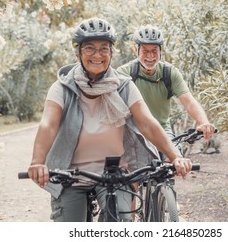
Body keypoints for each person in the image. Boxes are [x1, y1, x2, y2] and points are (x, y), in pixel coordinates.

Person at [27, 18, 192, 222]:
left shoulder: (123, 86)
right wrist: (37, 162)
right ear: (78, 52)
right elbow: (48, 124)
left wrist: (175, 156)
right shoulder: (62, 87)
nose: (97, 55)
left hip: (115, 174)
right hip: (71, 176)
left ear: (111, 53)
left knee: (121, 222)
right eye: (89, 48)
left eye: (104, 49)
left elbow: (147, 123)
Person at [117, 25, 217, 154]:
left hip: (162, 129)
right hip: (133, 131)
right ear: (136, 49)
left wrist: (204, 122)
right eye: (145, 51)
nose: (150, 56)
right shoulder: (125, 72)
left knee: (174, 160)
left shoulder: (169, 73)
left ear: (160, 50)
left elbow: (189, 102)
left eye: (154, 51)